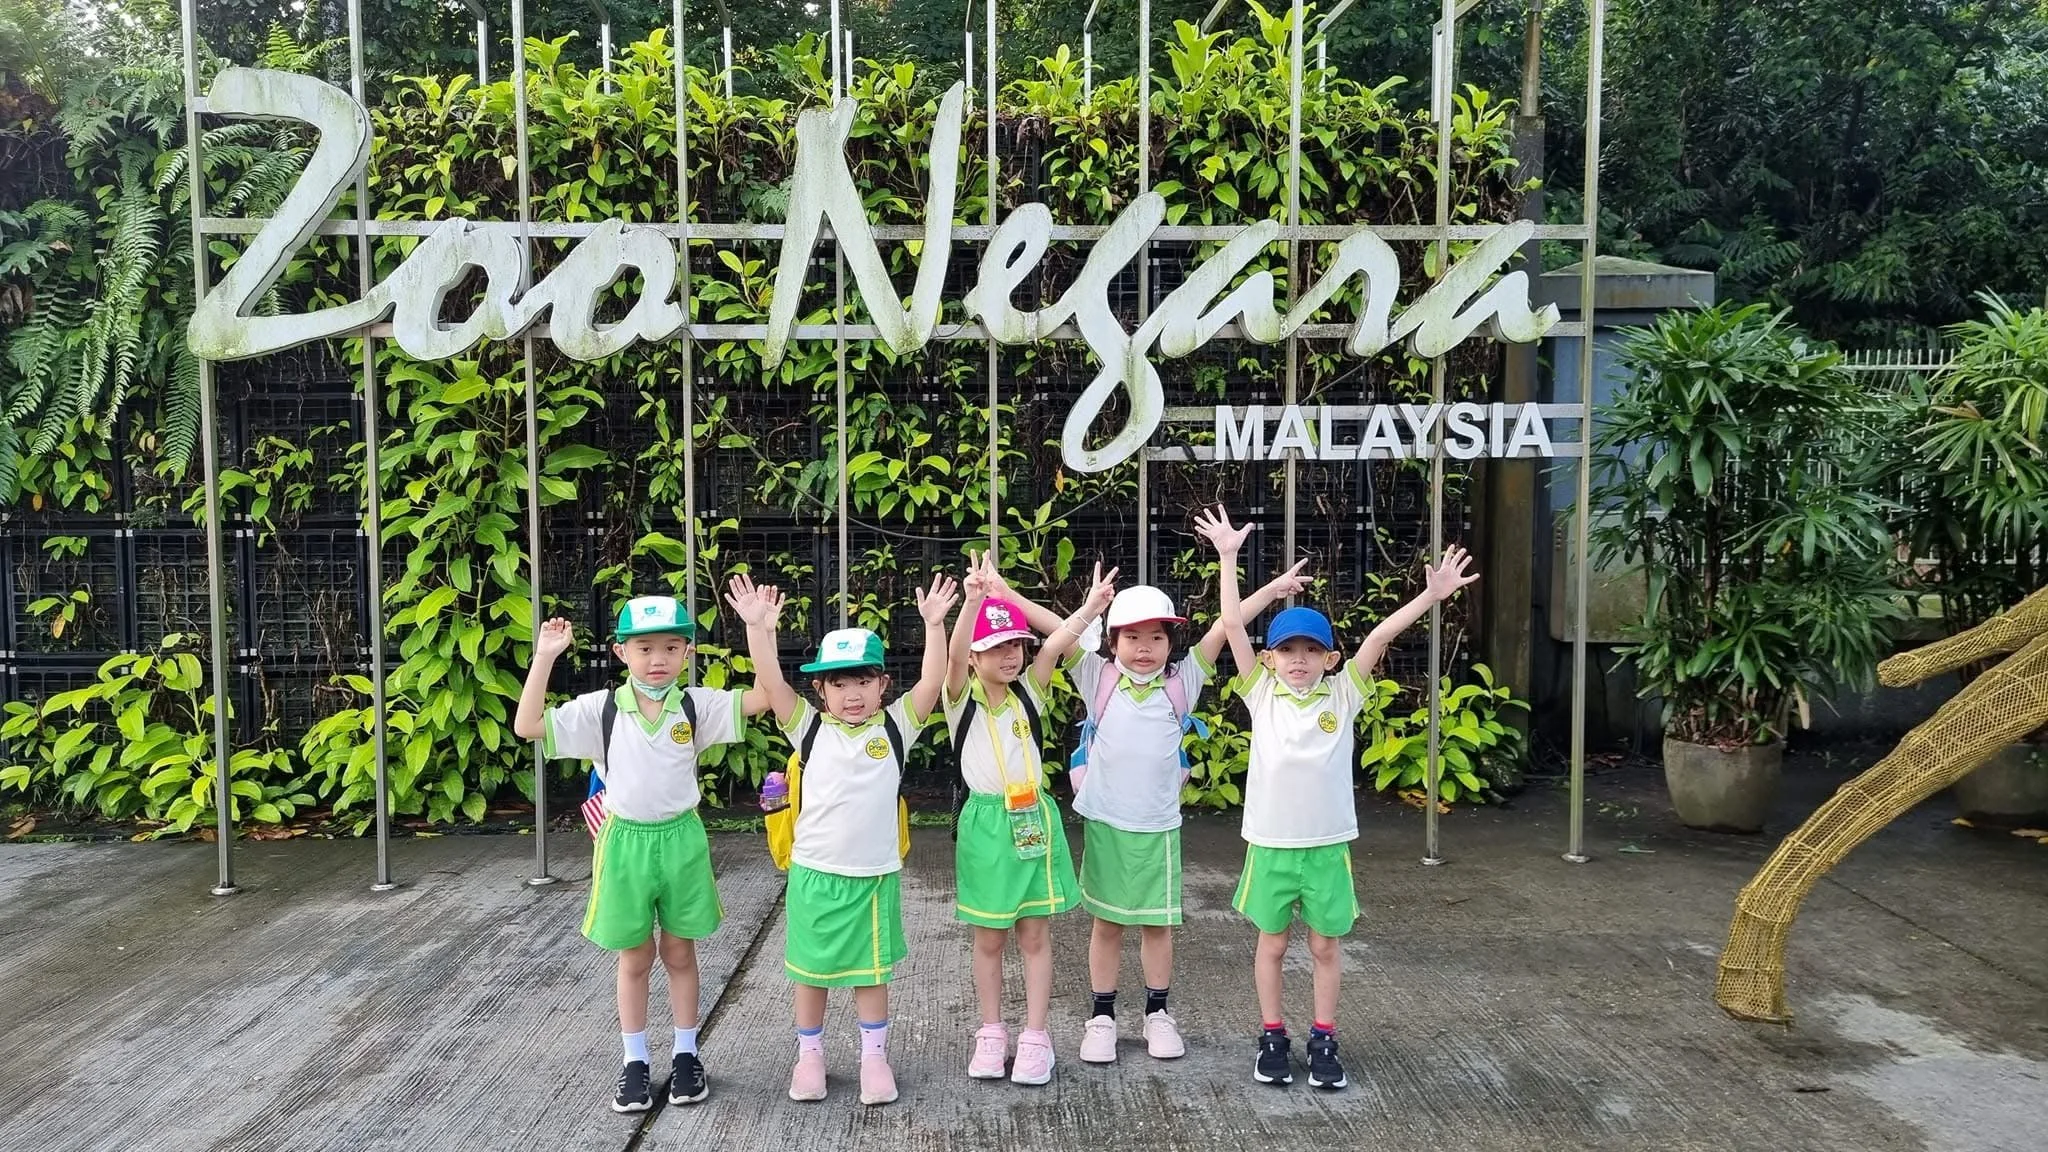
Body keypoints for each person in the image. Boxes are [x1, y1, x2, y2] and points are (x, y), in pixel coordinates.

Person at [1198, 504, 1478, 1090]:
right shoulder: (1260, 693)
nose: (1298, 660)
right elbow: (1230, 625)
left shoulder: (1343, 694)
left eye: (1310, 651)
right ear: (1270, 659)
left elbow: (1379, 636)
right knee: (1272, 944)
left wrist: (1431, 597)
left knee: (1326, 946)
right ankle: (1272, 1035)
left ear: (1329, 659)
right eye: (1286, 651)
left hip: (1327, 847)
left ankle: (1324, 1037)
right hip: (1271, 845)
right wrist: (1227, 557)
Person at [512, 579, 786, 1112]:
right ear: (621, 653)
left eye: (670, 647)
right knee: (635, 955)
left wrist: (760, 631)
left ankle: (686, 1054)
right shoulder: (601, 710)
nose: (657, 659)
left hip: (682, 840)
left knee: (680, 951)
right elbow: (528, 725)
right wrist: (545, 656)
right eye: (644, 647)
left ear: (688, 652)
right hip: (626, 844)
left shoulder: (695, 707)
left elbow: (765, 697)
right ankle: (634, 1062)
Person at [1063, 547, 1309, 1064]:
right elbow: (1055, 636)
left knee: (1158, 925)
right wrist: (1083, 608)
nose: (1145, 648)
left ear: (1171, 642)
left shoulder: (1184, 680)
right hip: (1106, 823)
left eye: (1157, 637)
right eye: (1132, 637)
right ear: (1112, 641)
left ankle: (1158, 1013)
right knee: (1107, 924)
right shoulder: (1096, 676)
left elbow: (1225, 625)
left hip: (1159, 828)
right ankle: (1102, 1017)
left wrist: (1273, 589)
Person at [752, 574, 959, 1106]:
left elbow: (932, 681)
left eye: (863, 681)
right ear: (820, 690)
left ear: (882, 684)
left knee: (872, 972)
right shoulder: (808, 729)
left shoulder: (895, 727)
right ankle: (810, 1058)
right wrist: (758, 629)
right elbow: (772, 684)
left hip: (874, 876)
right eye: (840, 683)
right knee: (811, 973)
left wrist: (935, 625)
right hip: (815, 874)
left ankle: (874, 1058)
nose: (852, 694)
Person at [943, 553, 1115, 1085]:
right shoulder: (960, 699)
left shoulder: (1030, 691)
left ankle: (1036, 1037)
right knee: (989, 938)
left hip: (1032, 819)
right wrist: (972, 603)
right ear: (976, 657)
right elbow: (953, 655)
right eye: (997, 647)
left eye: (1016, 644)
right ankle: (991, 1032)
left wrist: (1090, 609)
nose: (1011, 655)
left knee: (1035, 935)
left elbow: (1058, 641)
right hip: (985, 826)